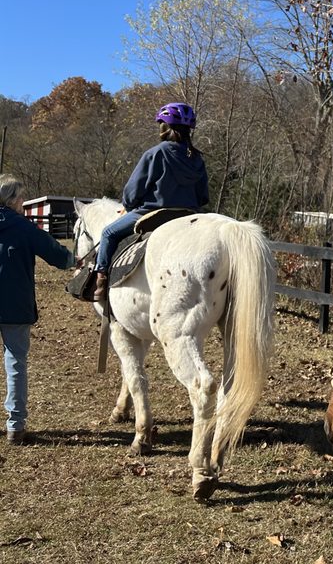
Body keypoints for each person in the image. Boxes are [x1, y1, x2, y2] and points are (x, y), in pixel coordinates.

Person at [91, 102, 210, 301]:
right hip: (189, 216)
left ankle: (101, 280)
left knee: (108, 233)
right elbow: (203, 196)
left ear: (164, 127)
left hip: (153, 214)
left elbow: (132, 192)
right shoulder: (196, 158)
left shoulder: (156, 153)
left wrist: (129, 206)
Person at [0, 174, 77, 444]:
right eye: (21, 197)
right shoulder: (23, 227)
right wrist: (73, 260)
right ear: (13, 200)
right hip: (15, 305)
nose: (23, 202)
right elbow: (57, 255)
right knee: (15, 362)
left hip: (14, 305)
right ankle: (15, 426)